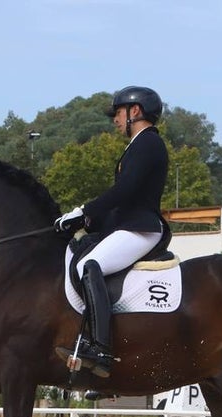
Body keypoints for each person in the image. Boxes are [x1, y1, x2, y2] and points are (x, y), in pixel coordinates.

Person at [54, 85, 169, 378]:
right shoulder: (137, 145)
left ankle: (101, 349)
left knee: (90, 266)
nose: (115, 120)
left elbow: (126, 191)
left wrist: (84, 211)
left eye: (117, 113)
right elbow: (125, 200)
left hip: (142, 228)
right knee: (85, 256)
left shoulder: (148, 143)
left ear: (135, 111)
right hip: (129, 225)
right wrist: (89, 224)